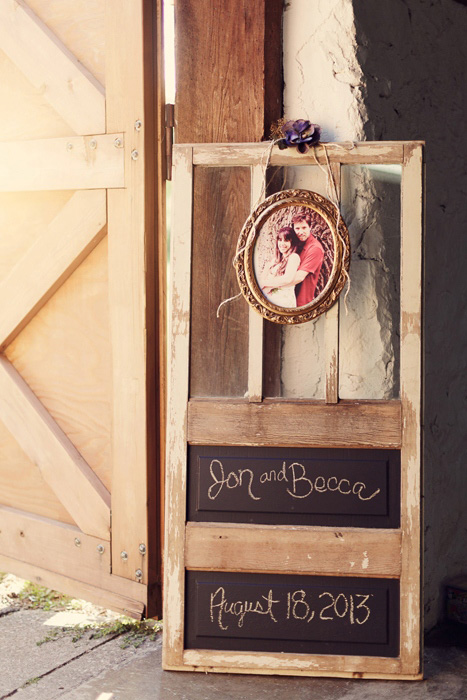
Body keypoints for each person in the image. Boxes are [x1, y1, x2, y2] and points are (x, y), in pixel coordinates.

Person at [261, 212, 324, 306]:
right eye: (297, 228)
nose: (300, 232)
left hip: (301, 300)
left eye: (304, 228)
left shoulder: (315, 249)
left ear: (310, 227)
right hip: (280, 297)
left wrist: (267, 285)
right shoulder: (294, 244)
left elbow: (298, 277)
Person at [260, 226, 301, 308]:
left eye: (286, 240)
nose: (282, 244)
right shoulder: (275, 259)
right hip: (271, 299)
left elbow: (287, 279)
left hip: (284, 301)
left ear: (292, 243)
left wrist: (265, 283)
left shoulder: (293, 257)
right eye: (280, 240)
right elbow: (262, 279)